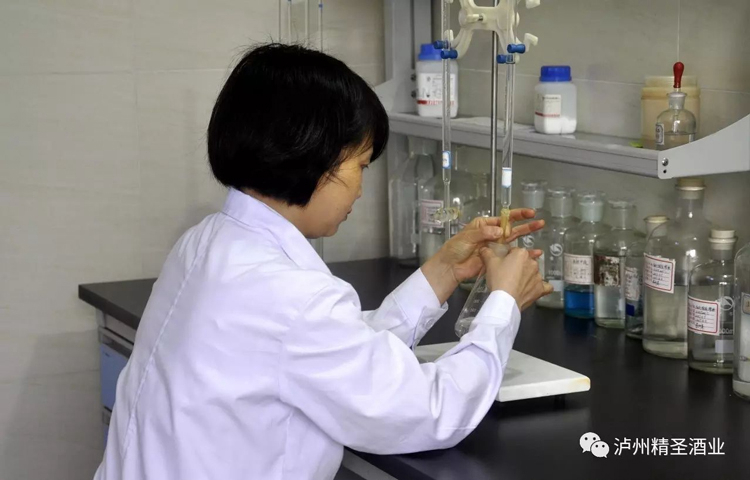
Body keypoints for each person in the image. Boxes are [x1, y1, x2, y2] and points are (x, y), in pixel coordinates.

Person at [94, 43, 551, 480]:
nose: (360, 188)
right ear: (312, 156)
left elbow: (332, 353)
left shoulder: (205, 243)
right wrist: (502, 304)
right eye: (361, 166)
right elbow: (431, 411)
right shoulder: (290, 298)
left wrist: (445, 271)